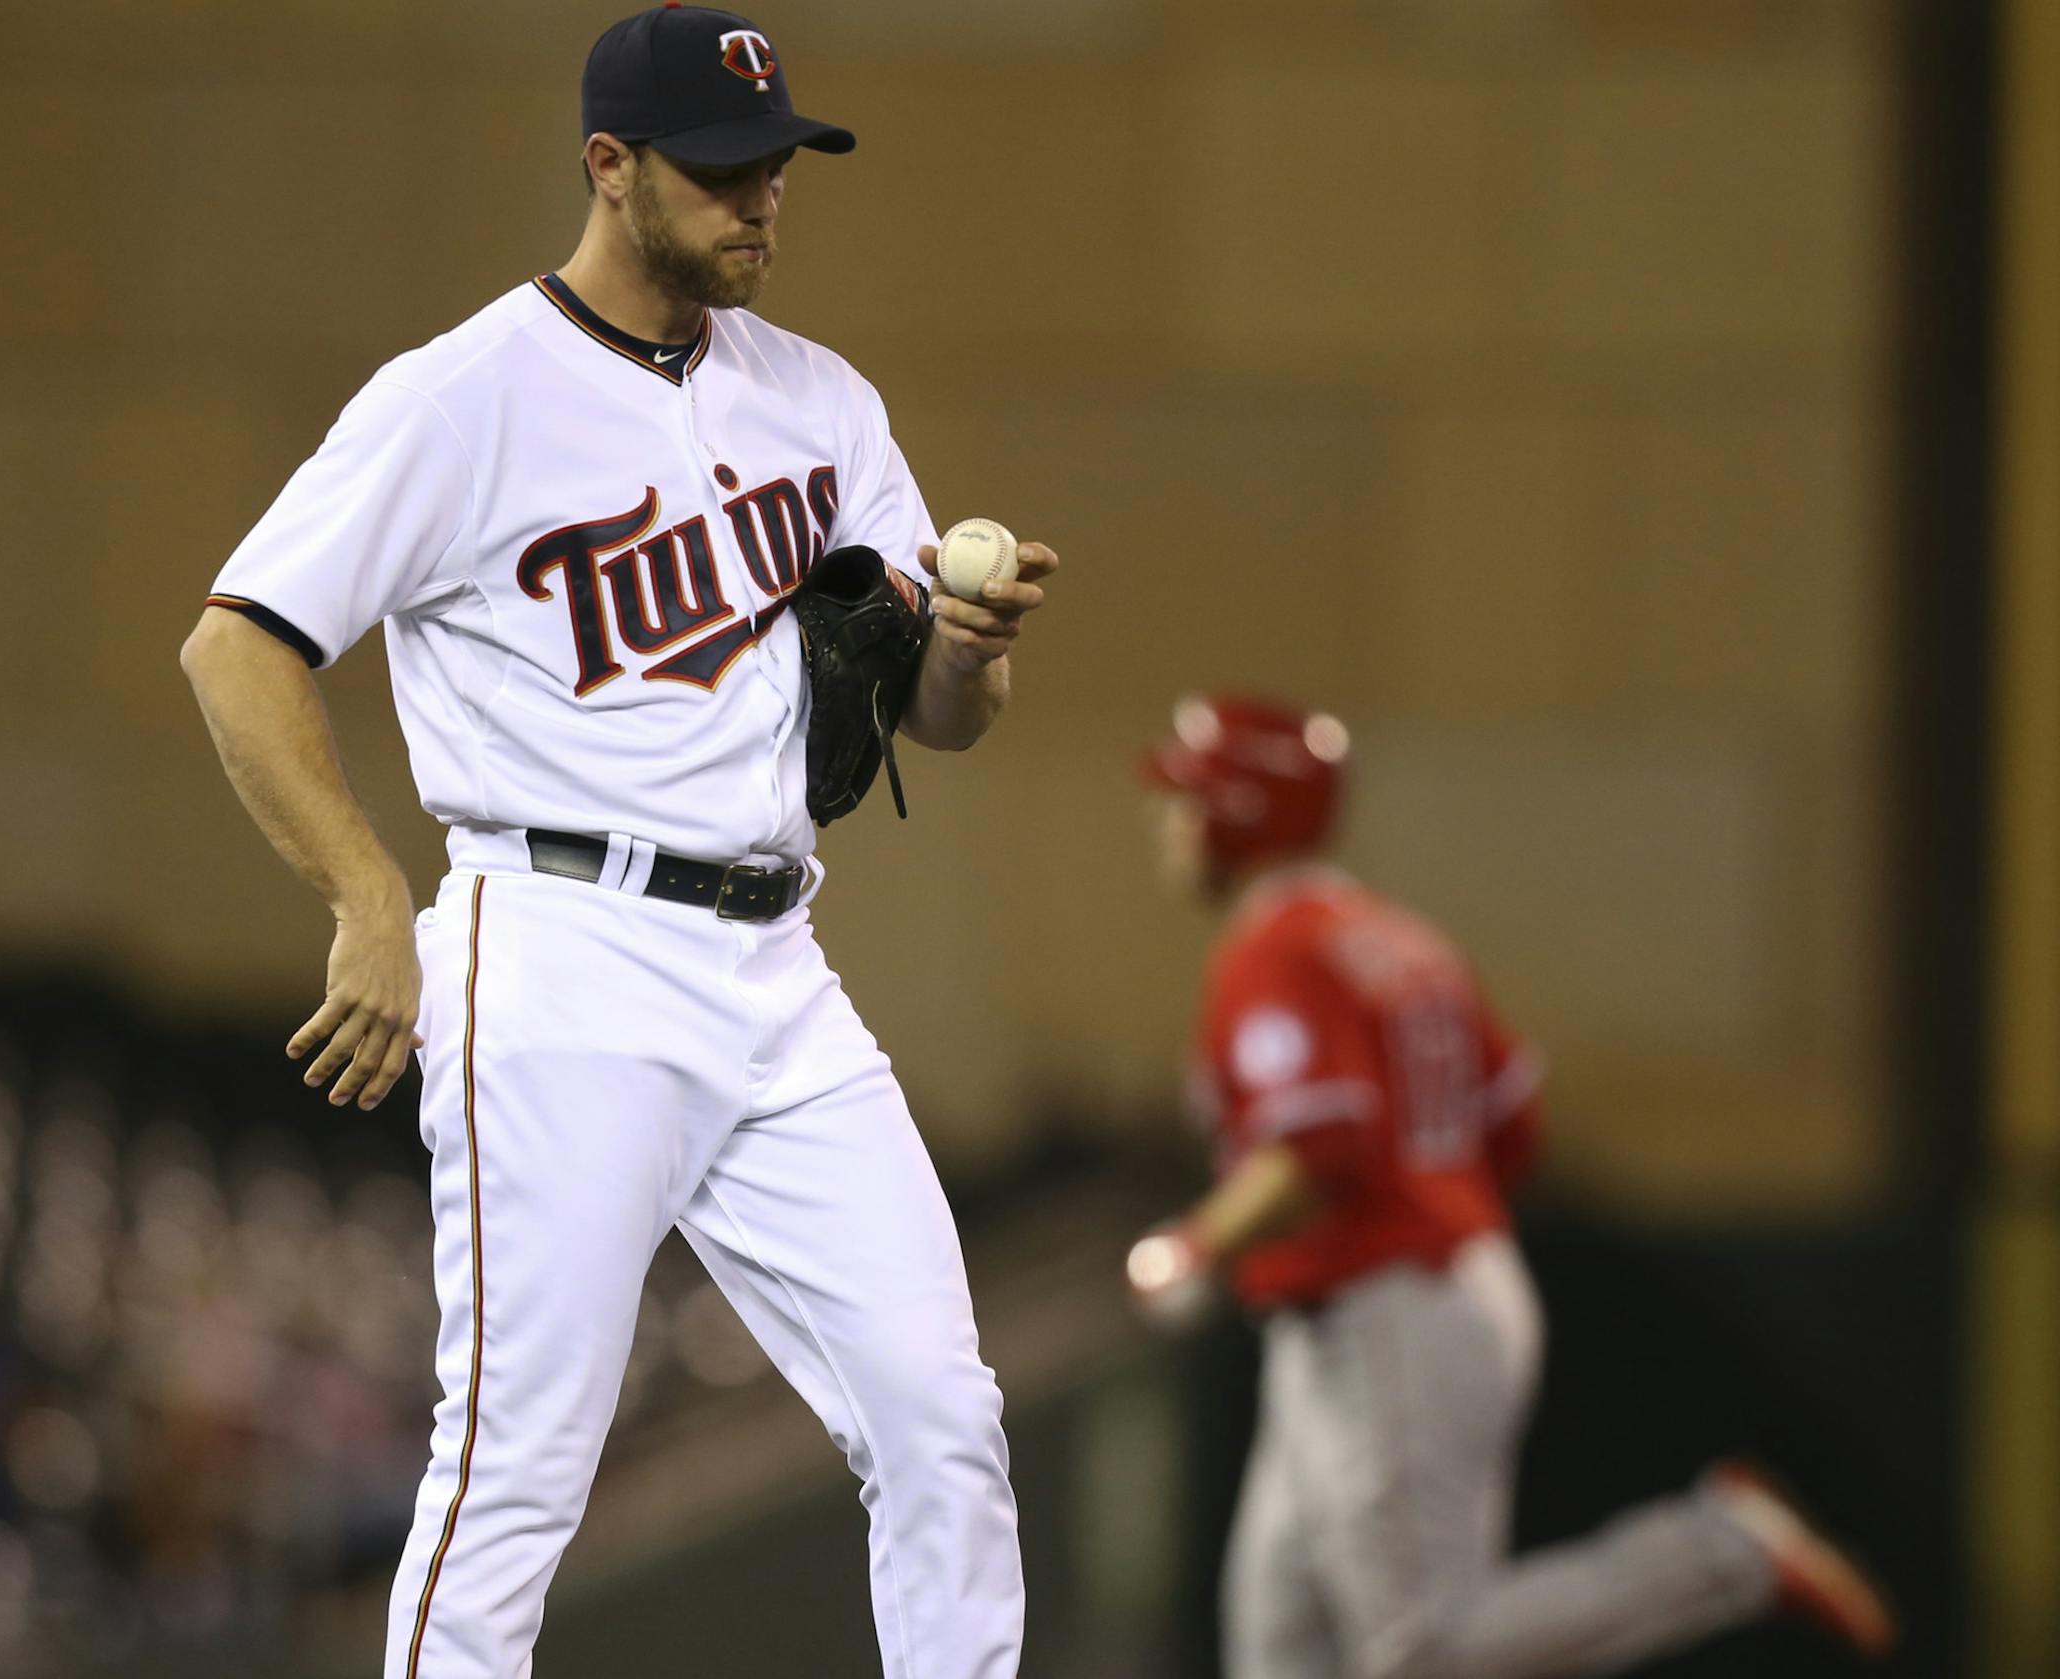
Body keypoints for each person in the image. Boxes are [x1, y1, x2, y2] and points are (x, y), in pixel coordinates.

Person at [178, 10, 1050, 1675]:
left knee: (943, 1410)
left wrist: (970, 638)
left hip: (777, 961)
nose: (761, 199)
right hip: (563, 951)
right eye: (723, 172)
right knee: (519, 1460)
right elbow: (239, 639)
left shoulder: (820, 397)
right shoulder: (463, 395)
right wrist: (367, 892)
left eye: (777, 166)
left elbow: (941, 717)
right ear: (610, 166)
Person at [1123, 694, 1894, 1679]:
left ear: (1240, 808)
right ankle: (1722, 1550)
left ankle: (1721, 1550)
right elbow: (1515, 1121)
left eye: (1187, 797)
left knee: (1421, 1647)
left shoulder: (1279, 945)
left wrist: (1196, 1243)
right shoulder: (1399, 937)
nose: (1168, 819)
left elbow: (1321, 1144)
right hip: (1394, 1306)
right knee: (1282, 1639)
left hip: (1387, 1308)